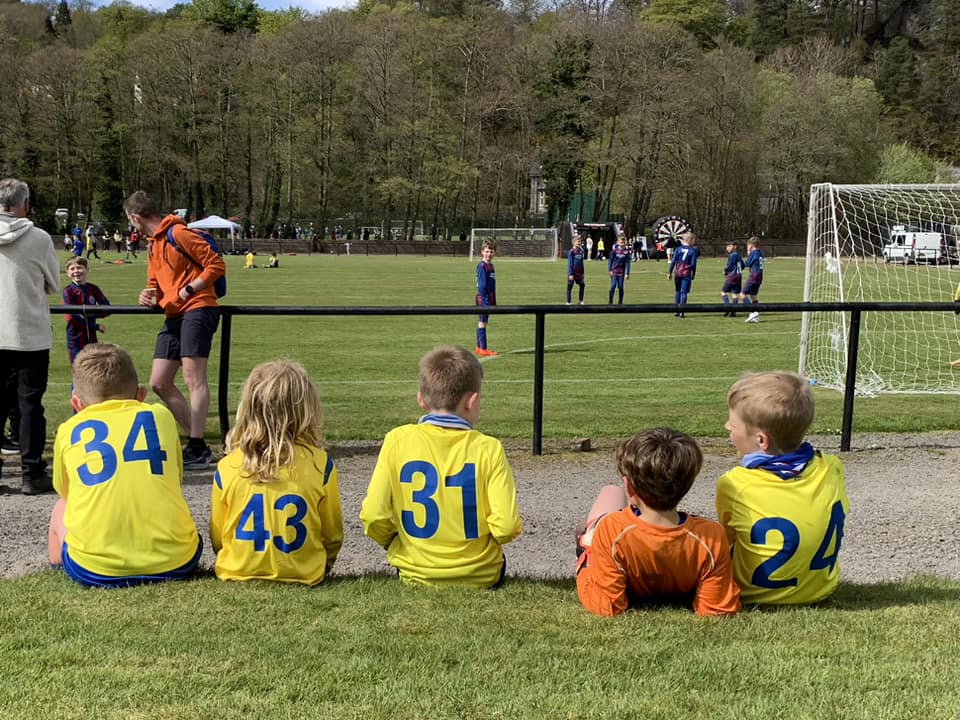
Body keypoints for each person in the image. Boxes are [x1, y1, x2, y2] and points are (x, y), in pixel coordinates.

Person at [359, 345, 523, 588]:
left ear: (421, 400)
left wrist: (394, 542)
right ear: (472, 401)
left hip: (416, 572)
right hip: (481, 574)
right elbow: (506, 526)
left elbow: (373, 516)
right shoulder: (488, 448)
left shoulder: (397, 440)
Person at [47, 343, 202, 587]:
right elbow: (175, 476)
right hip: (177, 561)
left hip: (94, 570)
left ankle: (57, 565)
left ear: (76, 403)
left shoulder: (69, 430)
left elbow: (66, 492)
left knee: (61, 506)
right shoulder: (160, 416)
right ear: (141, 395)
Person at [716, 371, 849, 605]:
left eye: (733, 424)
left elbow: (725, 542)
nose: (727, 426)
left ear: (761, 441)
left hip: (753, 593)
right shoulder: (831, 468)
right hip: (819, 590)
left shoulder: (735, 484)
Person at [576, 428, 740, 617]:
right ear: (687, 484)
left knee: (610, 491)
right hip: (671, 533)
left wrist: (584, 568)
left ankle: (589, 537)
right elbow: (717, 607)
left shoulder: (612, 529)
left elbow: (607, 606)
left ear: (629, 487)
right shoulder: (710, 536)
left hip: (616, 534)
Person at [210, 360, 343, 585]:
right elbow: (332, 536)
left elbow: (219, 537)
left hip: (237, 572)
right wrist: (324, 564)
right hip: (304, 573)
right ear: (305, 409)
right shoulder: (320, 464)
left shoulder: (228, 465)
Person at [125, 190, 226, 469]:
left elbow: (216, 264)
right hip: (174, 313)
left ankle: (196, 445)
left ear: (134, 217)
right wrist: (147, 294)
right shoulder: (152, 244)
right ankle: (199, 442)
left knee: (194, 378)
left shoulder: (179, 233)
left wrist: (190, 288)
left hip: (198, 307)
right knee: (159, 381)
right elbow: (154, 283)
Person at [0, 178, 60, 494]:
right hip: (28, 332)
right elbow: (53, 282)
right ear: (24, 204)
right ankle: (31, 471)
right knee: (30, 405)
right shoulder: (38, 238)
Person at [61, 256, 111, 366]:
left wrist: (88, 314)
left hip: (91, 338)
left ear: (87, 270)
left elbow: (107, 308)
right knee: (78, 371)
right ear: (67, 273)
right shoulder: (68, 292)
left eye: (79, 268)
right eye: (72, 269)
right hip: (75, 338)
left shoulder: (93, 288)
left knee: (93, 370)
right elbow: (71, 317)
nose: (76, 271)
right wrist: (95, 326)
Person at [667, 232, 699, 317]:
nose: (694, 241)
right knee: (683, 292)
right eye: (693, 240)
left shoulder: (678, 249)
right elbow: (693, 264)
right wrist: (693, 273)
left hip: (678, 273)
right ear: (690, 240)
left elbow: (673, 261)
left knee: (677, 291)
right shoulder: (693, 251)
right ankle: (682, 311)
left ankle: (677, 310)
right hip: (686, 273)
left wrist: (669, 272)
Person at [475, 240, 498, 357]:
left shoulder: (491, 266)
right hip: (483, 299)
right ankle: (483, 348)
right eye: (487, 251)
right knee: (482, 322)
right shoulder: (482, 266)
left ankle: (479, 347)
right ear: (482, 252)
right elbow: (483, 286)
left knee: (483, 321)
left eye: (491, 252)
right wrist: (486, 301)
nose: (489, 254)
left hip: (489, 298)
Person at [740, 236, 764, 323]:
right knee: (753, 295)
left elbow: (747, 264)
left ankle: (752, 312)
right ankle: (756, 315)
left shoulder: (754, 253)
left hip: (754, 275)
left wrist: (748, 253)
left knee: (742, 294)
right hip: (760, 276)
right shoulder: (760, 252)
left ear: (750, 245)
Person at [721, 241, 744, 317]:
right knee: (734, 294)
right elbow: (743, 265)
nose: (727, 248)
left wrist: (725, 271)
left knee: (723, 292)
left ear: (735, 246)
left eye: (729, 246)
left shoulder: (732, 255)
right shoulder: (738, 255)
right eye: (727, 246)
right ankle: (734, 312)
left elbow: (729, 266)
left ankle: (727, 308)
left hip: (732, 276)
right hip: (738, 276)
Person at [607, 235, 631, 305]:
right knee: (613, 286)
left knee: (620, 287)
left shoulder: (626, 252)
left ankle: (620, 302)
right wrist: (610, 270)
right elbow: (610, 261)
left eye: (624, 243)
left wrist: (627, 273)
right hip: (614, 271)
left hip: (621, 272)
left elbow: (628, 262)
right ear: (618, 242)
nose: (623, 244)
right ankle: (610, 300)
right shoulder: (614, 251)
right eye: (621, 242)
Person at [566, 234, 586, 305]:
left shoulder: (581, 251)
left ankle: (581, 300)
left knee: (582, 285)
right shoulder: (571, 252)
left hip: (579, 273)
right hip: (572, 272)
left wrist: (583, 273)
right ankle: (568, 302)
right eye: (578, 241)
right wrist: (570, 274)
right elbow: (570, 263)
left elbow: (581, 263)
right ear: (573, 242)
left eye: (580, 241)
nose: (579, 243)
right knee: (570, 286)